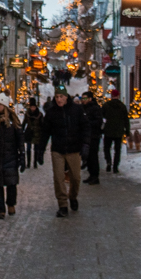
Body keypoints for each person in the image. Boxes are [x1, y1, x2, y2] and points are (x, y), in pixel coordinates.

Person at [41, 85, 89, 218]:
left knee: (75, 177)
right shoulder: (51, 112)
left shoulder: (77, 110)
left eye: (61, 96)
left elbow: (85, 127)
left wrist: (85, 144)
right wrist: (40, 150)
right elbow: (45, 132)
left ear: (66, 97)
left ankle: (72, 196)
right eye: (56, 97)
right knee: (58, 178)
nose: (59, 99)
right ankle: (62, 205)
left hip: (74, 149)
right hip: (58, 149)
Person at [101, 89, 131, 174]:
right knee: (117, 150)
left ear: (111, 96)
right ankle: (115, 167)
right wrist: (127, 131)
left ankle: (108, 161)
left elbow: (102, 118)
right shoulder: (122, 106)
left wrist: (102, 128)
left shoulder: (106, 106)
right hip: (119, 131)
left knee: (107, 148)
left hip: (108, 130)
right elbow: (126, 120)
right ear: (118, 96)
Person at [79, 91, 104, 184]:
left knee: (93, 156)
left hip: (93, 135)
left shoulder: (95, 108)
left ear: (90, 99)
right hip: (85, 136)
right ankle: (91, 174)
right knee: (87, 156)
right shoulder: (82, 108)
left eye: (85, 98)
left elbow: (98, 121)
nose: (83, 100)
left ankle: (95, 176)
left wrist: (87, 123)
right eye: (82, 99)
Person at [22, 97, 44, 168]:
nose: (32, 108)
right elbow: (24, 123)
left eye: (33, 107)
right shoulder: (27, 114)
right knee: (28, 149)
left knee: (36, 149)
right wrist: (21, 130)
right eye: (31, 107)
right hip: (29, 133)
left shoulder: (39, 115)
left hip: (37, 133)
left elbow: (42, 124)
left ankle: (35, 163)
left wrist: (42, 132)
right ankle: (28, 163)